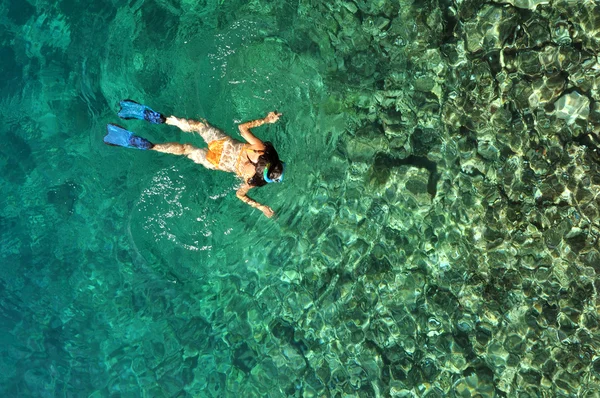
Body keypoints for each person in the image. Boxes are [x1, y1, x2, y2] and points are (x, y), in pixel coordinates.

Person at [104, 100, 284, 217]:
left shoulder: (260, 150)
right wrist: (260, 207)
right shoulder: (253, 180)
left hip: (223, 144)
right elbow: (239, 194)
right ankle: (150, 146)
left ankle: (164, 120)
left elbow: (242, 128)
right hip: (217, 162)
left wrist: (265, 120)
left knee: (199, 126)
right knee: (185, 149)